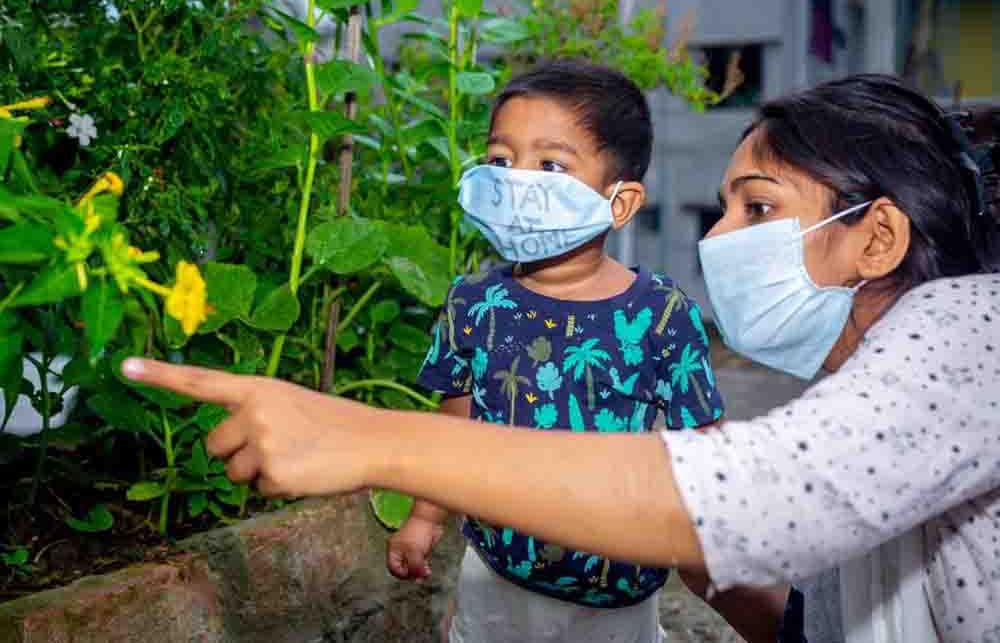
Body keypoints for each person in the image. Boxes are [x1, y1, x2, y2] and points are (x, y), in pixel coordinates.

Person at [121, 75, 1000, 642]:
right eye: (724, 208)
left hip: (615, 608)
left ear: (878, 235)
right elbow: (791, 598)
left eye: (757, 210)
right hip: (499, 581)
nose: (719, 238)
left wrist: (367, 436)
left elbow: (741, 488)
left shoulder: (970, 335)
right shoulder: (478, 299)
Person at [388, 60, 783, 643]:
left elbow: (703, 447)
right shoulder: (473, 302)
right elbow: (454, 424)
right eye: (501, 160)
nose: (518, 180)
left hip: (617, 589)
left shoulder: (660, 313)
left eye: (550, 165)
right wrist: (424, 518)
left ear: (619, 203)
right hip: (495, 575)